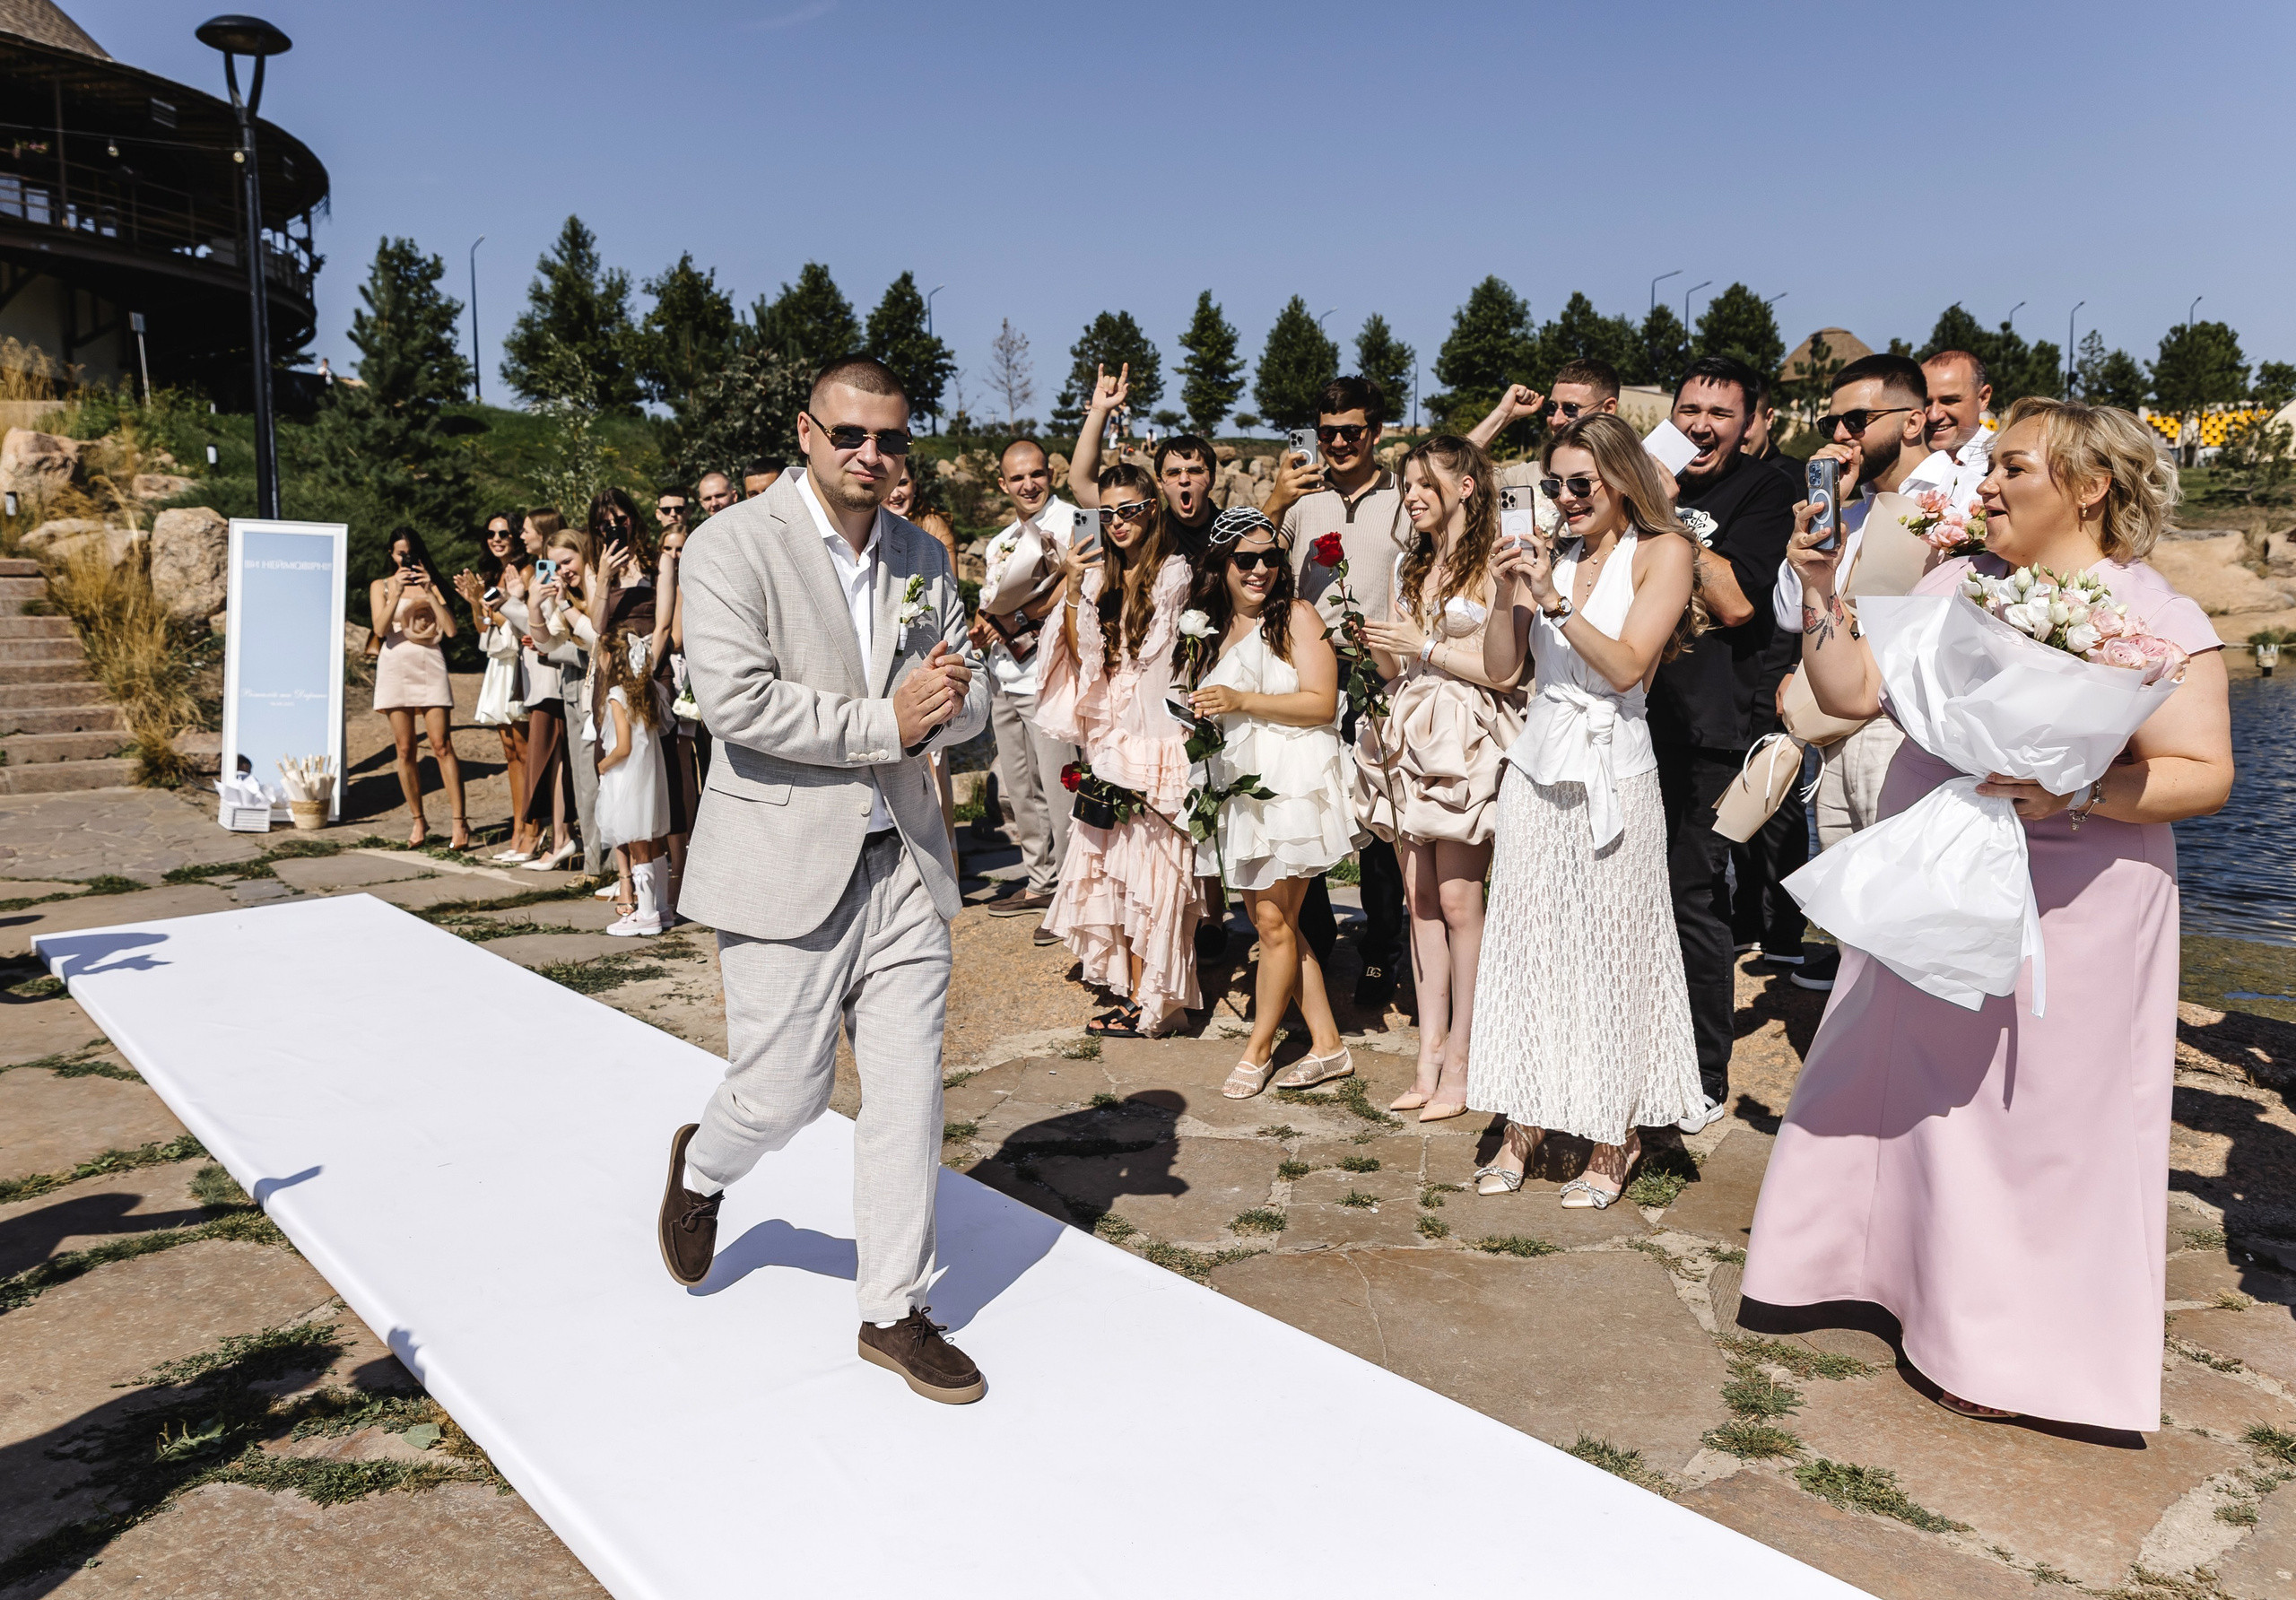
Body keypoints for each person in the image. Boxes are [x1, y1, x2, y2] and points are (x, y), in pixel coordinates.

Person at [1743, 397, 2232, 1429]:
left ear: (2089, 486)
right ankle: (1866, 1273)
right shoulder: (1954, 582)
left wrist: (2078, 789)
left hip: (2082, 897)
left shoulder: (2156, 615)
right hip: (1936, 870)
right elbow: (1849, 689)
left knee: (2039, 1114)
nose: (1985, 484)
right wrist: (1823, 591)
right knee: (1914, 1088)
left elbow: (2203, 772)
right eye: (1990, 465)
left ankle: (2014, 1347)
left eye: (2010, 467)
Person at [659, 356, 989, 1404]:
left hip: (903, 863)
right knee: (785, 1093)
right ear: (807, 432)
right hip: (782, 858)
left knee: (909, 1095)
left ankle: (891, 1308)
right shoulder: (729, 545)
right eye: (849, 434)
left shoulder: (921, 553)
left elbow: (963, 700)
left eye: (889, 438)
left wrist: (956, 700)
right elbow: (737, 701)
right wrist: (886, 720)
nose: (870, 455)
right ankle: (704, 1165)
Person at [1467, 415, 1705, 1205]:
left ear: (1622, 478)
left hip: (1615, 769)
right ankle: (1524, 1122)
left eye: (1581, 483)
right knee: (1530, 945)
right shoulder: (1550, 554)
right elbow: (1504, 671)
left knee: (1613, 949)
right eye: (1554, 485)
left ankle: (1614, 1134)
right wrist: (1507, 594)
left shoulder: (1664, 551)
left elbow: (1629, 666)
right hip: (1538, 770)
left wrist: (1551, 599)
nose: (1566, 498)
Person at [1357, 436, 1526, 1121]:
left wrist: (1423, 645)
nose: (1411, 496)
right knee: (1418, 900)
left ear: (1466, 487)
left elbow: (1508, 672)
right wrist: (1379, 648)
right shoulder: (1411, 564)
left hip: (1467, 736)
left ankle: (1465, 1059)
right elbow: (1400, 669)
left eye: (1424, 483)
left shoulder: (1498, 563)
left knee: (1459, 901)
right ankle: (1426, 1059)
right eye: (1405, 485)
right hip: (1409, 729)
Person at [1648, 356, 1797, 1128]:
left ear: (1748, 426)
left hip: (1714, 728)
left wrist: (1666, 512)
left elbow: (1738, 603)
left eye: (1720, 414)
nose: (1701, 427)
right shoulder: (1640, 479)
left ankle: (1701, 1074)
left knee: (1691, 893)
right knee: (1631, 890)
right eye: (1689, 411)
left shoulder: (1766, 491)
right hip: (1630, 719)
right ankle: (1637, 1045)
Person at [1183, 508, 1357, 1094]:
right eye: (1246, 559)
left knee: (1272, 921)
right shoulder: (1208, 627)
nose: (1260, 569)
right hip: (1238, 781)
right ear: (1221, 564)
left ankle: (1257, 1049)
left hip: (1291, 781)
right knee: (1275, 921)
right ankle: (1328, 1046)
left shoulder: (1297, 616)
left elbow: (1322, 703)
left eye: (1271, 557)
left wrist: (1242, 700)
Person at [1031, 463, 1202, 1037]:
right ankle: (1134, 992)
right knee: (1117, 872)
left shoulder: (1173, 573)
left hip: (1155, 737)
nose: (1117, 522)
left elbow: (1155, 657)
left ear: (1151, 509)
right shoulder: (1100, 575)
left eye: (1128, 510)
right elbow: (1083, 657)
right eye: (1107, 513)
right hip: (1111, 736)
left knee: (1155, 875)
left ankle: (1159, 1003)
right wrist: (1074, 584)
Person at [1265, 376, 1413, 1013]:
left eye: (1352, 431)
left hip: (1383, 674)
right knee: (1308, 809)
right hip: (1311, 677)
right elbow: (1251, 564)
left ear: (1375, 432)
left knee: (1379, 820)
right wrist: (1275, 502)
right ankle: (1317, 941)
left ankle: (1382, 948)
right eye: (1327, 433)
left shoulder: (1404, 499)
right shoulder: (1302, 501)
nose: (1339, 443)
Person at [973, 439, 1083, 927]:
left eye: (1036, 474)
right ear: (1003, 484)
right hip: (1005, 675)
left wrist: (1017, 615)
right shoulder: (999, 543)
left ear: (1051, 474)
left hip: (1051, 675)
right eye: (1017, 478)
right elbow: (993, 605)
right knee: (1020, 788)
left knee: (1061, 791)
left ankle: (1076, 893)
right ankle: (1041, 880)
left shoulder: (1073, 521)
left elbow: (1081, 582)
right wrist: (987, 624)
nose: (1028, 484)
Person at [369, 531, 467, 850]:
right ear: (391, 554)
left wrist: (429, 590)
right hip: (395, 664)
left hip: (429, 663)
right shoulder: (381, 586)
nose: (406, 559)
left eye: (410, 553)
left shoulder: (432, 583)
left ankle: (459, 822)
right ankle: (418, 820)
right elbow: (380, 629)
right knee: (404, 748)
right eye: (400, 554)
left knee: (441, 744)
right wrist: (396, 593)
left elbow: (451, 630)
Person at [887, 459, 961, 851]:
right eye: (893, 484)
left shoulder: (931, 527)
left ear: (916, 486)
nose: (897, 491)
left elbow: (948, 593)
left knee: (932, 771)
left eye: (904, 482)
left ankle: (944, 858)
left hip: (926, 651)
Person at [457, 513, 534, 859]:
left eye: (504, 533)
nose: (497, 539)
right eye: (491, 533)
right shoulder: (491, 575)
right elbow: (483, 627)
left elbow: (519, 619)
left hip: (520, 660)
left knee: (526, 749)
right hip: (498, 661)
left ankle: (533, 828)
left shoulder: (526, 571)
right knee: (509, 751)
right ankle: (518, 828)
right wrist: (476, 601)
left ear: (516, 536)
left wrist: (489, 604)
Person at [523, 525, 599, 873]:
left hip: (608, 696)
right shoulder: (563, 597)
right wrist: (534, 607)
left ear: (584, 554)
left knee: (603, 782)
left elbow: (596, 638)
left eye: (567, 561)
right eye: (554, 566)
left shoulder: (597, 589)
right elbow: (546, 643)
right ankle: (596, 868)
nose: (563, 572)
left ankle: (613, 868)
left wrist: (565, 604)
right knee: (584, 784)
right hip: (579, 694)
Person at [593, 625, 672, 936]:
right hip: (648, 775)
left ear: (611, 657)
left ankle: (647, 914)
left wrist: (603, 764)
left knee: (639, 846)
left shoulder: (617, 696)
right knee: (654, 844)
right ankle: (662, 909)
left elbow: (623, 747)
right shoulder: (648, 690)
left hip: (629, 777)